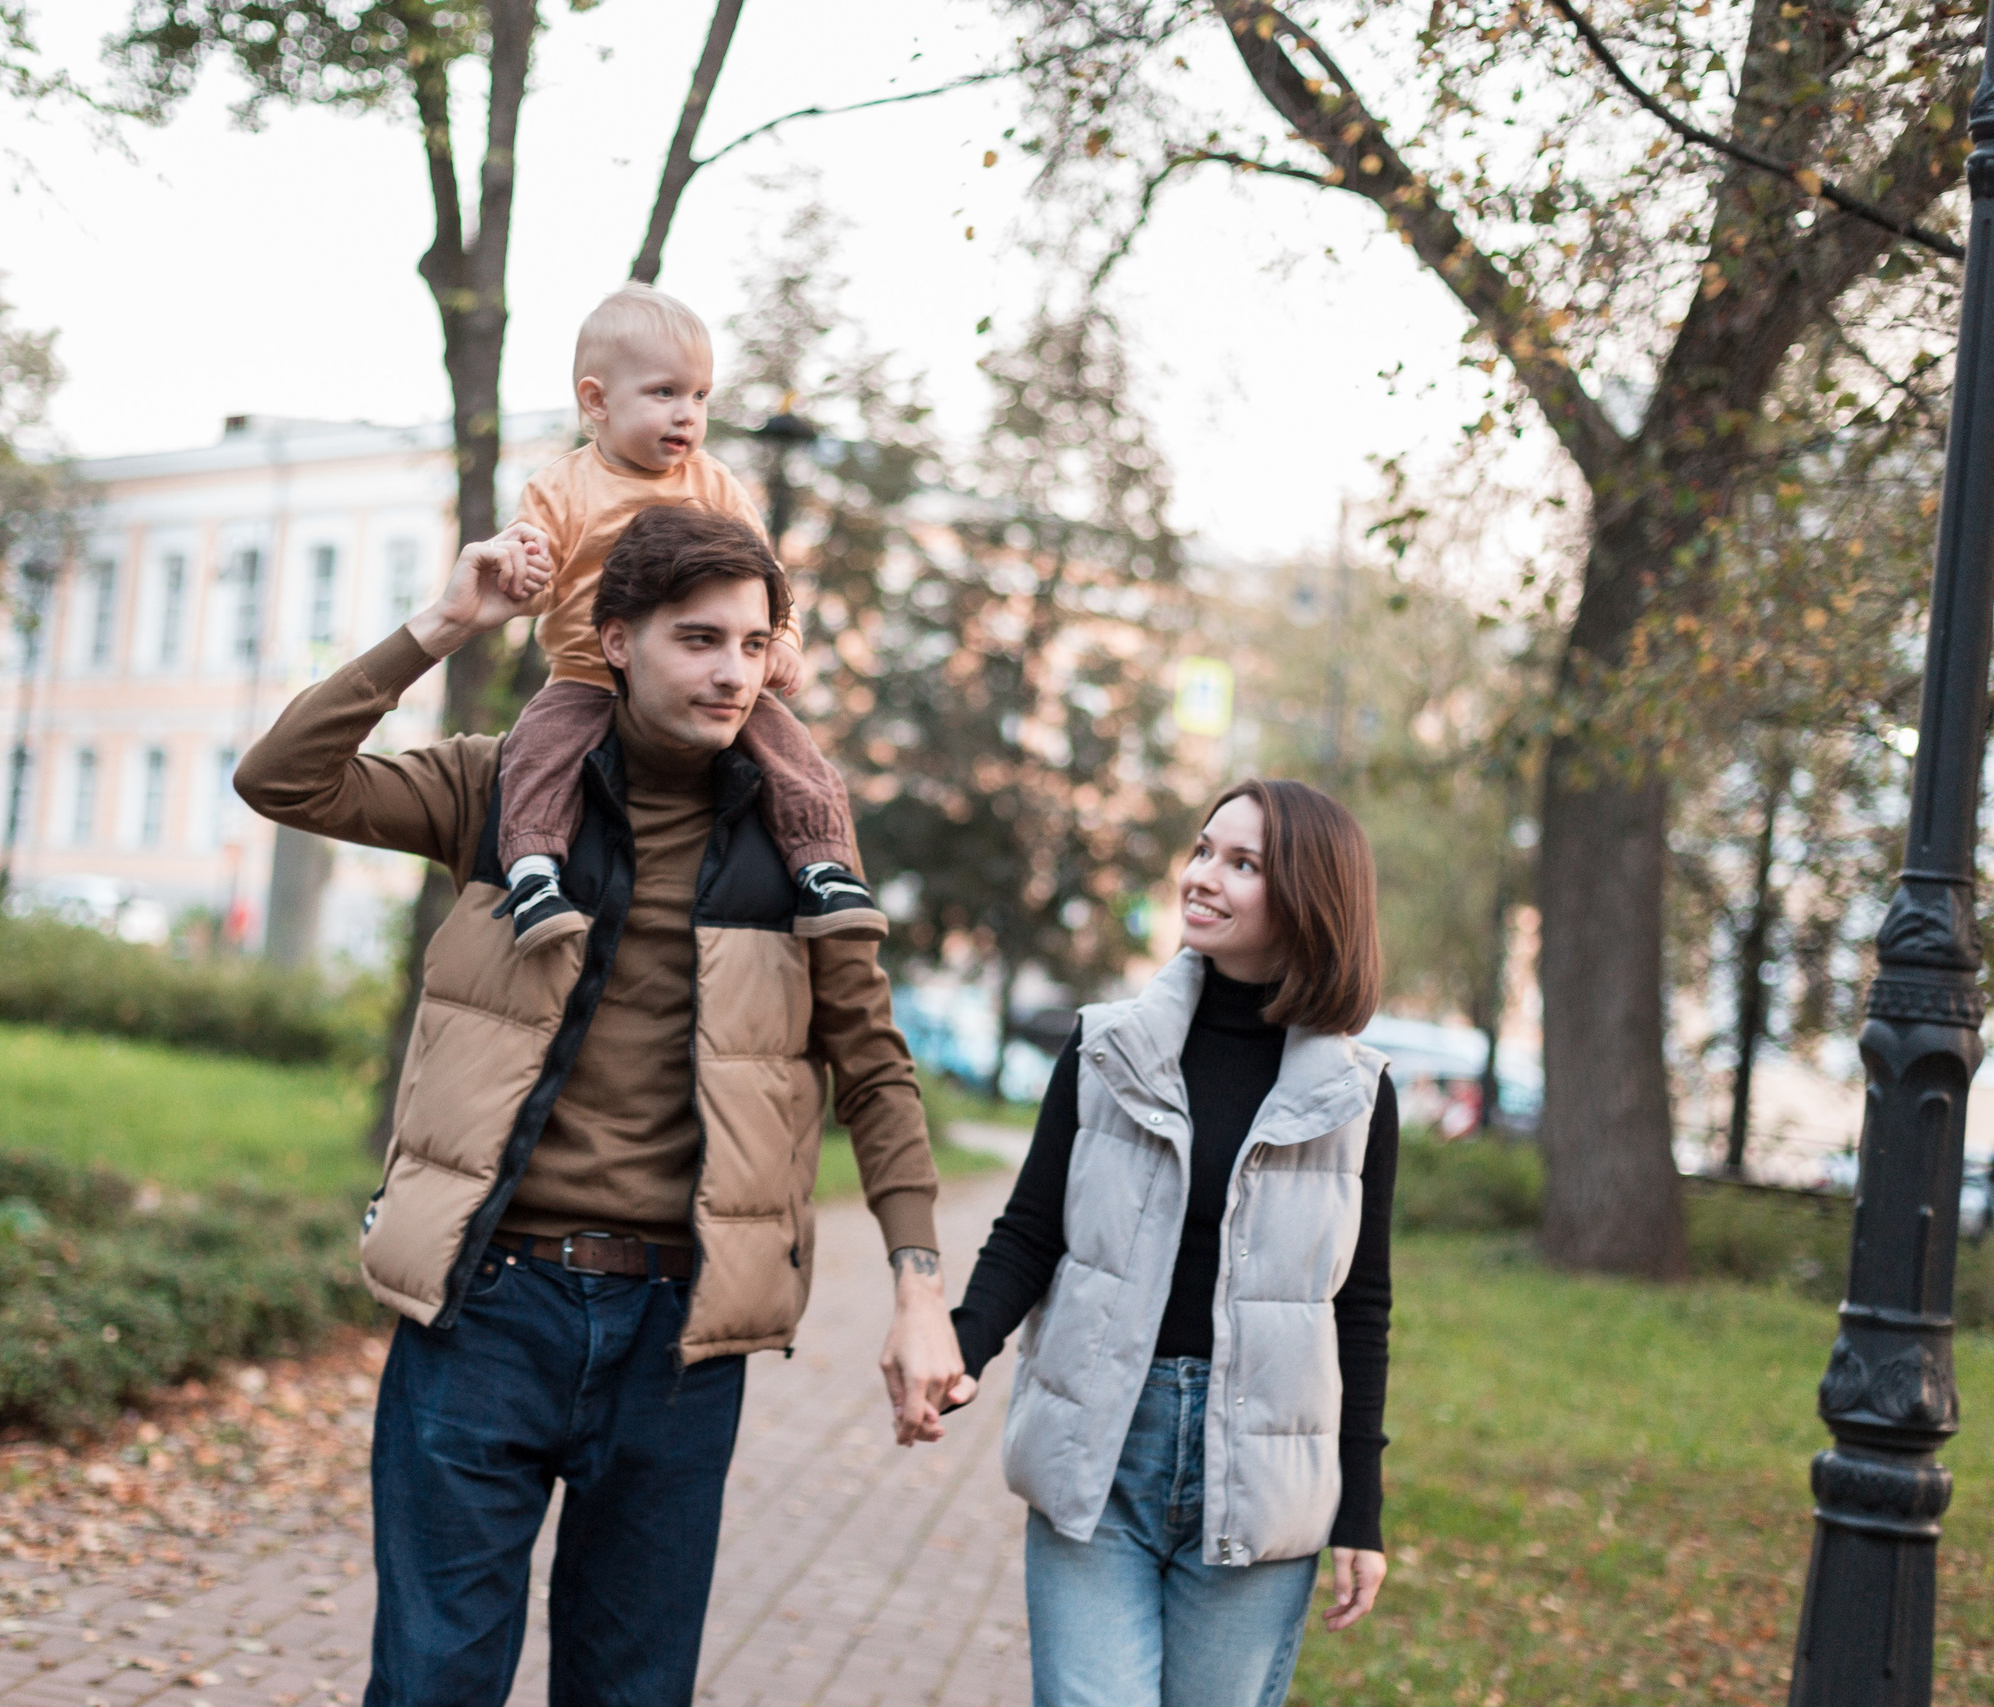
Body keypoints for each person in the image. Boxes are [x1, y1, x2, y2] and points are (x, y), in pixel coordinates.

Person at [232, 503, 964, 1707]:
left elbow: (873, 1069)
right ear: (615, 639)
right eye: (697, 638)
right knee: (430, 1684)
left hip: (677, 1340)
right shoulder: (501, 795)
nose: (731, 671)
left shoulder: (800, 849)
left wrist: (918, 1288)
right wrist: (443, 623)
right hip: (487, 1313)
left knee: (631, 1692)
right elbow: (283, 779)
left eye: (751, 642)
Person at [947, 779, 1398, 1707]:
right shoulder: (1108, 1047)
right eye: (1202, 850)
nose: (1202, 877)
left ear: (1310, 898)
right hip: (1101, 1449)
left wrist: (1361, 1509)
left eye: (1242, 864)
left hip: (1265, 1471)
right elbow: (1032, 1230)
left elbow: (1360, 1306)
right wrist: (958, 1349)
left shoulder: (1357, 1092)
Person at [491, 281, 883, 956]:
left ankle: (822, 865)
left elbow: (766, 573)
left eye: (700, 396)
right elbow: (530, 588)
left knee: (788, 748)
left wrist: (781, 639)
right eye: (664, 393)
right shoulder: (559, 488)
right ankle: (532, 874)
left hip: (696, 677)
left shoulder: (714, 484)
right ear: (597, 400)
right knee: (537, 749)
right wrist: (520, 574)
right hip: (587, 670)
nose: (687, 415)